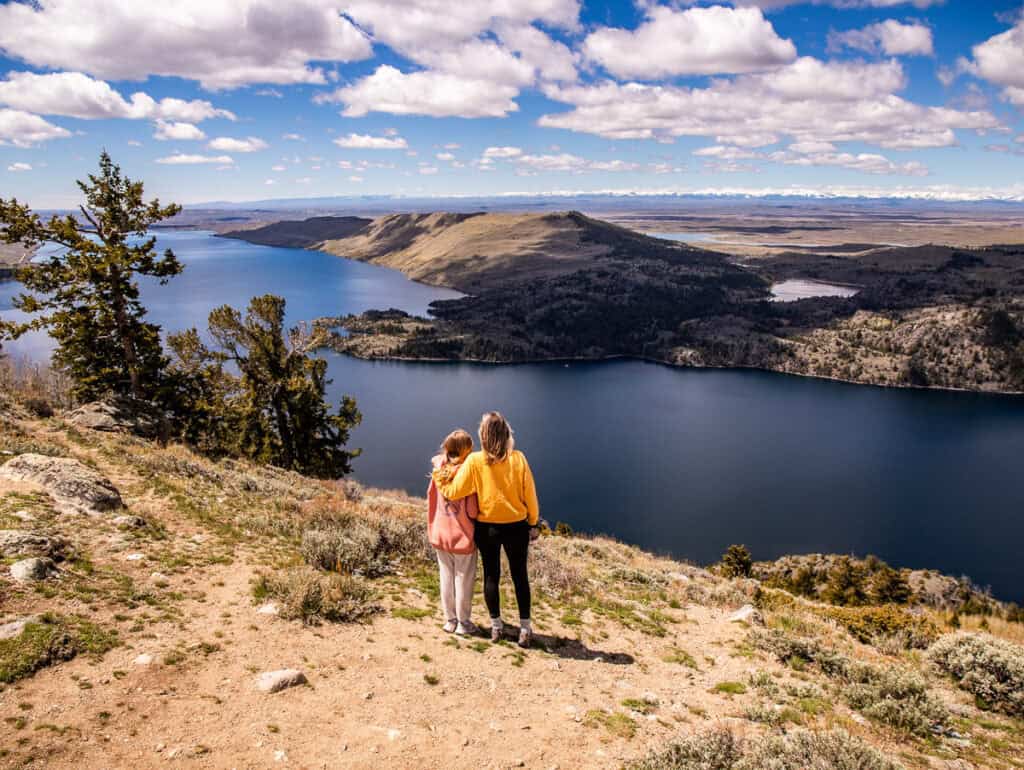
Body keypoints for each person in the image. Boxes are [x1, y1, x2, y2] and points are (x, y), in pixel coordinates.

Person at [433, 412, 540, 648]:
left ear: (483, 435)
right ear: (505, 434)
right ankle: (524, 628)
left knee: (492, 576)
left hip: (487, 528)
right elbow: (530, 496)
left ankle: (496, 626)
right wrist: (533, 524)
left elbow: (453, 492)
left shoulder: (474, 461)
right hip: (516, 527)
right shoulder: (518, 459)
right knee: (519, 576)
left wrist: (438, 475)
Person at [427, 429, 480, 636]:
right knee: (463, 580)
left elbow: (431, 499)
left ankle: (450, 620)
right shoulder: (466, 476)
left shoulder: (438, 471)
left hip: (440, 532)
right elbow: (473, 510)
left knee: (446, 577)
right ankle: (464, 624)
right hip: (462, 537)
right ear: (467, 451)